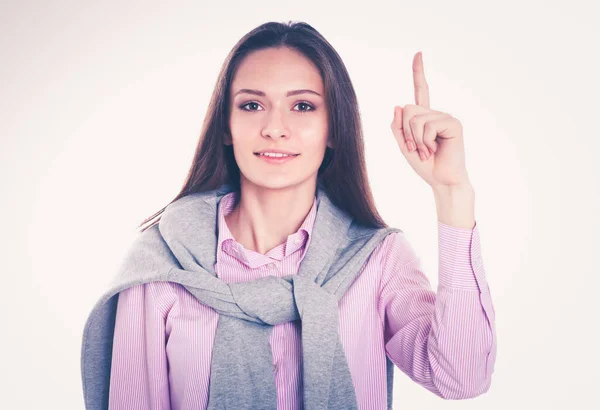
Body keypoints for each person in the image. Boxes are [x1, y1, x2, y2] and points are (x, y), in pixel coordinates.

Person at [80, 21, 497, 410]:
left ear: (335, 128)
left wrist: (452, 191)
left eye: (302, 106)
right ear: (225, 126)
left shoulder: (378, 259)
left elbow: (461, 377)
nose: (275, 128)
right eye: (251, 105)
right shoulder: (161, 266)